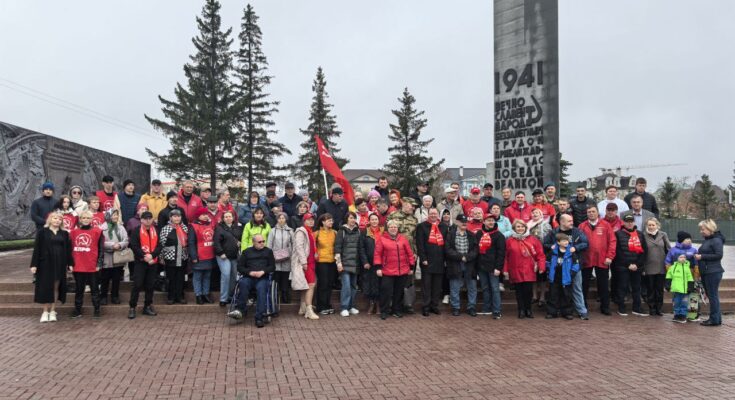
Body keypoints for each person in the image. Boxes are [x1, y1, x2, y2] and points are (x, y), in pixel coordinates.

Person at [542, 214, 590, 319]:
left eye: (572, 220)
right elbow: (545, 244)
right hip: (557, 269)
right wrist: (551, 246)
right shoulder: (553, 232)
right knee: (555, 291)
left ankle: (581, 311)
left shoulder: (577, 231)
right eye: (569, 221)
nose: (572, 222)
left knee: (577, 289)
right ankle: (555, 311)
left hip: (573, 266)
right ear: (562, 222)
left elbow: (586, 243)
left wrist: (575, 248)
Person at [30, 212, 72, 323]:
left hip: (60, 264)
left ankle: (53, 311)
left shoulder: (64, 233)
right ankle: (45, 312)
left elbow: (68, 250)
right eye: (55, 218)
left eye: (59, 219)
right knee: (45, 287)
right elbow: (37, 249)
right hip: (45, 264)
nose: (57, 220)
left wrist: (70, 263)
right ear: (50, 219)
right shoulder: (42, 232)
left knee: (55, 287)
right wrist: (34, 264)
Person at [228, 234, 275, 328]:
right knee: (243, 283)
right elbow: (240, 267)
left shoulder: (268, 252)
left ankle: (259, 317)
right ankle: (240, 310)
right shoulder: (246, 252)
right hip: (249, 277)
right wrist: (250, 272)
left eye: (263, 241)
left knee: (261, 289)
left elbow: (272, 266)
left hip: (262, 277)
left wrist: (263, 271)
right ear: (253, 242)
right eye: (259, 242)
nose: (262, 243)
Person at [374, 220, 415, 320]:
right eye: (391, 227)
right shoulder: (382, 239)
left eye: (395, 227)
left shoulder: (403, 239)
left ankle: (396, 310)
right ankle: (384, 311)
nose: (393, 228)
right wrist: (378, 267)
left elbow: (409, 253)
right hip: (387, 270)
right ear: (388, 228)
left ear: (397, 228)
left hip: (402, 270)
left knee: (399, 292)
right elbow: (377, 254)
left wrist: (411, 267)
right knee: (386, 292)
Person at [578, 206, 616, 315]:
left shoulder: (606, 225)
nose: (591, 213)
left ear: (598, 213)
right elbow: (577, 241)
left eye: (593, 211)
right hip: (586, 259)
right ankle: (582, 306)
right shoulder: (582, 226)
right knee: (583, 284)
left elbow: (612, 241)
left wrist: (610, 256)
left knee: (603, 284)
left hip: (602, 259)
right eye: (589, 212)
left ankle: (605, 307)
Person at [504, 220, 546, 319]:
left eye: (522, 226)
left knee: (528, 291)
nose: (520, 228)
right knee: (519, 292)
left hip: (529, 269)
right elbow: (506, 257)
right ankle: (521, 310)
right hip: (515, 269)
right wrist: (505, 270)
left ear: (526, 228)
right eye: (518, 227)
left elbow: (540, 254)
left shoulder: (533, 239)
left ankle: (528, 309)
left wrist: (541, 266)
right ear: (514, 228)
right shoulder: (509, 241)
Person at [68, 210, 103, 319]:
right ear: (80, 219)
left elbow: (101, 249)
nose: (86, 220)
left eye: (88, 218)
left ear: (91, 219)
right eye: (83, 218)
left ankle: (97, 309)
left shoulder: (98, 231)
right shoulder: (73, 232)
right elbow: (69, 249)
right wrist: (70, 263)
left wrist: (99, 263)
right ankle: (77, 310)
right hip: (78, 265)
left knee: (94, 289)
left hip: (92, 265)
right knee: (79, 289)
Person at [387, 197, 419, 314]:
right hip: (395, 253)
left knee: (409, 280)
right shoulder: (392, 216)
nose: (413, 208)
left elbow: (415, 238)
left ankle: (408, 304)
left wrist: (415, 252)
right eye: (412, 205)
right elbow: (387, 234)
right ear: (405, 204)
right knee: (394, 279)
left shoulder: (414, 219)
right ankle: (393, 304)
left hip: (409, 254)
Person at [612, 214, 648, 316]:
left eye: (631, 221)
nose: (629, 223)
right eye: (627, 221)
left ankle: (637, 308)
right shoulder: (618, 234)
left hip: (637, 266)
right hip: (623, 266)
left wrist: (637, 264)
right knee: (622, 287)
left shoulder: (640, 234)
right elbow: (618, 251)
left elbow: (644, 250)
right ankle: (621, 307)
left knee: (636, 288)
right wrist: (628, 264)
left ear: (634, 222)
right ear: (623, 222)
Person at [127, 211, 160, 319]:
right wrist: (144, 256)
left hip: (153, 262)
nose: (148, 220)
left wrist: (152, 255)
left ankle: (147, 306)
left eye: (150, 218)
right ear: (141, 220)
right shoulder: (136, 231)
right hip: (140, 262)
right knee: (137, 285)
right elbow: (134, 246)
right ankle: (132, 307)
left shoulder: (156, 230)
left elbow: (160, 245)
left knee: (150, 285)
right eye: (145, 218)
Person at [415, 208, 448, 317]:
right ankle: (426, 307)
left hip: (440, 261)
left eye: (435, 213)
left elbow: (446, 244)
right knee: (426, 286)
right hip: (427, 261)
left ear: (438, 215)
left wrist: (446, 260)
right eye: (431, 213)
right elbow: (420, 244)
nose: (433, 215)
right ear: (428, 214)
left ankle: (434, 306)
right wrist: (423, 258)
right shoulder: (421, 226)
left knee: (437, 287)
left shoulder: (443, 226)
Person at [445, 214, 479, 317]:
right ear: (457, 222)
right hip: (455, 263)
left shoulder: (471, 235)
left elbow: (475, 250)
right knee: (455, 287)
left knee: (472, 287)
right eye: (461, 221)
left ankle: (471, 307)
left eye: (465, 221)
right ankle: (455, 307)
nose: (464, 223)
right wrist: (460, 257)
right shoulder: (450, 234)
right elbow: (448, 249)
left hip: (470, 264)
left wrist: (467, 257)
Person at [334, 212, 365, 317]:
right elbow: (337, 248)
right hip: (344, 264)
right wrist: (339, 263)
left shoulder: (358, 231)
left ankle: (351, 306)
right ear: (346, 219)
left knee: (353, 287)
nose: (353, 220)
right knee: (346, 286)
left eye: (354, 218)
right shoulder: (341, 231)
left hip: (355, 264)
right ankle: (344, 307)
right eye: (351, 218)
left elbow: (360, 248)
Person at [475, 214, 506, 318]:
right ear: (484, 222)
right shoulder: (479, 234)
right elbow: (476, 250)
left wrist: (498, 267)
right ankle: (487, 308)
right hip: (481, 266)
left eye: (492, 220)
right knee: (485, 288)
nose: (491, 222)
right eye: (488, 220)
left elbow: (501, 253)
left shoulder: (499, 235)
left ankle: (497, 310)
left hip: (493, 267)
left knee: (495, 288)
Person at [544, 233, 581, 320]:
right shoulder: (553, 252)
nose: (566, 242)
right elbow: (547, 262)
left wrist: (571, 273)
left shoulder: (571, 252)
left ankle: (567, 312)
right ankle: (552, 312)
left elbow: (576, 264)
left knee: (566, 296)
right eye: (564, 241)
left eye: (567, 241)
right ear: (558, 242)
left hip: (566, 278)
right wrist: (549, 271)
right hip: (554, 277)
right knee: (553, 295)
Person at [695, 219, 724, 326]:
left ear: (710, 228)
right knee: (712, 296)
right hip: (707, 271)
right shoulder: (708, 240)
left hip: (712, 272)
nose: (701, 231)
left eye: (703, 229)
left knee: (712, 296)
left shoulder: (716, 240)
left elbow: (719, 255)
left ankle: (714, 320)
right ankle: (716, 319)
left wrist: (702, 256)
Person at [290, 213, 320, 320]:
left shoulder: (310, 231)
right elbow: (299, 247)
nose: (311, 221)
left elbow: (310, 246)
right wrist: (303, 262)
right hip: (305, 262)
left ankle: (302, 307)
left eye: (312, 220)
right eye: (309, 219)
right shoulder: (301, 231)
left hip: (311, 261)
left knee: (306, 285)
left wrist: (315, 253)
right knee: (311, 285)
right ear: (304, 221)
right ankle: (309, 310)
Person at [157, 209, 189, 304]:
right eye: (175, 216)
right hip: (170, 257)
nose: (177, 218)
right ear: (170, 218)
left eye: (179, 216)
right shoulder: (166, 229)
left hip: (182, 257)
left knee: (180, 278)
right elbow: (161, 244)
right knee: (171, 278)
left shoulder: (185, 228)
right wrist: (161, 257)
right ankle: (171, 297)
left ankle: (180, 296)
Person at [642, 218, 670, 316]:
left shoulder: (663, 235)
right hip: (648, 266)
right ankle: (652, 308)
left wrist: (669, 263)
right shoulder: (643, 235)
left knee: (659, 289)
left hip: (661, 266)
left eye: (653, 225)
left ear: (657, 225)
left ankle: (659, 308)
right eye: (649, 225)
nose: (651, 227)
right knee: (650, 289)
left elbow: (668, 250)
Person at [99, 209, 128, 305]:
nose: (116, 217)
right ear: (108, 216)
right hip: (106, 257)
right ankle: (103, 296)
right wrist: (112, 245)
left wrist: (119, 245)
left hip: (118, 257)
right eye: (114, 215)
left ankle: (115, 296)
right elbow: (100, 242)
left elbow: (126, 240)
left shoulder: (121, 227)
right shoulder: (102, 228)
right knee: (105, 279)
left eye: (116, 215)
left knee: (116, 278)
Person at [188, 207, 216, 304]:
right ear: (198, 216)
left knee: (207, 276)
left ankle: (206, 294)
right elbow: (191, 242)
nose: (205, 216)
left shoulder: (211, 224)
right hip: (199, 256)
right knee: (198, 276)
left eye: (206, 214)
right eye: (203, 214)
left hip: (210, 255)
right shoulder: (193, 226)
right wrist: (193, 256)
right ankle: (198, 295)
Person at [214, 211, 242, 306]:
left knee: (234, 276)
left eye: (230, 216)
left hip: (234, 256)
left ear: (233, 218)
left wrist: (240, 243)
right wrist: (221, 253)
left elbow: (241, 238)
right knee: (226, 275)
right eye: (226, 217)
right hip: (223, 256)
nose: (228, 218)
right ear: (223, 218)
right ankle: (223, 298)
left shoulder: (237, 228)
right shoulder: (219, 228)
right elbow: (216, 242)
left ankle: (230, 296)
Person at [528, 207, 552, 308]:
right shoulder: (528, 225)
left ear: (541, 214)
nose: (534, 214)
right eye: (533, 213)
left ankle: (542, 297)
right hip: (531, 254)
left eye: (537, 213)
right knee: (533, 275)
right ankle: (534, 296)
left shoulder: (546, 225)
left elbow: (549, 238)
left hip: (543, 252)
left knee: (542, 276)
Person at [267, 212, 294, 305]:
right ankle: (275, 295)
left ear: (286, 219)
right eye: (279, 218)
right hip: (276, 259)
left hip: (287, 259)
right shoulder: (273, 231)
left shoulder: (290, 231)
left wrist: (290, 253)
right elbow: (269, 245)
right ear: (277, 220)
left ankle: (285, 294)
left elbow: (293, 244)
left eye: (283, 218)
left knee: (285, 278)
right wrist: (270, 257)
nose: (281, 220)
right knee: (276, 278)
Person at [314, 213, 337, 315]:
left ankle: (327, 305)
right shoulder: (317, 233)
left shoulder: (335, 233)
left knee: (330, 284)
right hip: (321, 262)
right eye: (329, 220)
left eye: (332, 220)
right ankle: (321, 306)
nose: (331, 222)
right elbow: (313, 247)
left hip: (332, 261)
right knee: (323, 283)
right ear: (323, 222)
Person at [361, 214, 383, 314]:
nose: (374, 221)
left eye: (376, 219)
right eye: (372, 219)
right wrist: (365, 261)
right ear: (369, 221)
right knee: (369, 284)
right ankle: (371, 304)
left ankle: (378, 304)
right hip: (369, 263)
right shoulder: (364, 232)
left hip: (381, 263)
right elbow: (361, 248)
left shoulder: (383, 231)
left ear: (378, 221)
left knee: (379, 284)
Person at [666, 253, 695, 323]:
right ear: (677, 259)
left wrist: (690, 287)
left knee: (684, 302)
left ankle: (683, 315)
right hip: (676, 289)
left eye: (684, 257)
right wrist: (668, 285)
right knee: (677, 302)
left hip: (685, 290)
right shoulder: (673, 267)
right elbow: (669, 276)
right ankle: (676, 315)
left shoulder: (687, 268)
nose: (683, 259)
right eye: (681, 257)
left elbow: (690, 278)